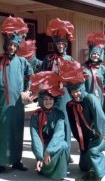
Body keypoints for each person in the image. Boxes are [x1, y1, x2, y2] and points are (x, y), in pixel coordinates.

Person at [63, 61, 105, 181]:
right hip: (88, 137)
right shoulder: (70, 105)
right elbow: (74, 126)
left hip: (103, 133)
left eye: (78, 90)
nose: (76, 94)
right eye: (73, 92)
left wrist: (96, 140)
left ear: (82, 88)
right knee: (83, 167)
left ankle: (104, 174)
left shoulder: (91, 99)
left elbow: (100, 120)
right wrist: (82, 141)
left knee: (93, 151)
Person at [0, 16, 33, 172]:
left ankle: (16, 161)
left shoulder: (22, 62)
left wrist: (28, 90)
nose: (12, 47)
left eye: (15, 45)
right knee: (2, 133)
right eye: (10, 45)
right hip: (1, 104)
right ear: (6, 44)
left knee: (17, 132)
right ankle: (1, 162)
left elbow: (31, 77)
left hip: (17, 105)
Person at [41, 18, 74, 162]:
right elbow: (42, 77)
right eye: (58, 43)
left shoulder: (69, 59)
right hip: (50, 96)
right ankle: (50, 154)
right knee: (50, 124)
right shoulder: (48, 59)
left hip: (65, 95)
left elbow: (74, 78)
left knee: (65, 123)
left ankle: (65, 154)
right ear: (54, 44)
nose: (60, 46)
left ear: (66, 45)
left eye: (63, 43)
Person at [29, 71, 69, 180]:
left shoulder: (59, 114)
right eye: (45, 99)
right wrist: (40, 156)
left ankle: (56, 173)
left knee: (64, 145)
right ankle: (44, 167)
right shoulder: (35, 115)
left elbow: (59, 133)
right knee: (44, 156)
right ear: (41, 100)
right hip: (41, 145)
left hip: (53, 145)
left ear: (54, 100)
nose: (48, 102)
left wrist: (49, 151)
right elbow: (35, 137)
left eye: (51, 99)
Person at [83, 31, 105, 109]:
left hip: (101, 100)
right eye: (94, 53)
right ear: (90, 54)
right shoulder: (84, 68)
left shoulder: (102, 69)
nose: (96, 56)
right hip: (87, 101)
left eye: (97, 54)